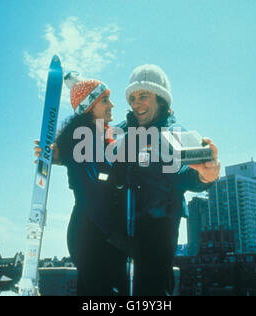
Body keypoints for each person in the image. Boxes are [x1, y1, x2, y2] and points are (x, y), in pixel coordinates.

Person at [113, 64, 221, 296]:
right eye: (132, 97)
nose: (135, 103)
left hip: (158, 224)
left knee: (151, 289)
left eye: (143, 95)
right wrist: (58, 153)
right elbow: (93, 152)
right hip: (120, 224)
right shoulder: (122, 130)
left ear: (161, 99)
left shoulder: (175, 133)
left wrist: (205, 175)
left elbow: (188, 174)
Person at [34, 72, 127, 296]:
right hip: (93, 234)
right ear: (89, 107)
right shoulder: (81, 139)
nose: (112, 104)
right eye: (104, 100)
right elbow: (96, 187)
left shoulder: (101, 139)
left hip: (101, 235)